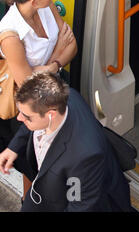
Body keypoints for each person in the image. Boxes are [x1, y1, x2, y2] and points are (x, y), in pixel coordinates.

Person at [0, 72, 132, 212]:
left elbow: (80, 205)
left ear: (51, 114)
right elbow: (31, 124)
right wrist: (13, 148)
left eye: (27, 116)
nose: (19, 118)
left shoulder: (84, 156)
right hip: (45, 190)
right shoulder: (63, 97)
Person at [0, 0, 77, 199]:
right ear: (34, 0)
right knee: (33, 164)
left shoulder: (46, 6)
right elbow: (27, 86)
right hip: (28, 107)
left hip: (51, 87)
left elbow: (72, 45)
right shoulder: (10, 35)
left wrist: (47, 67)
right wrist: (57, 57)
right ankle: (30, 201)